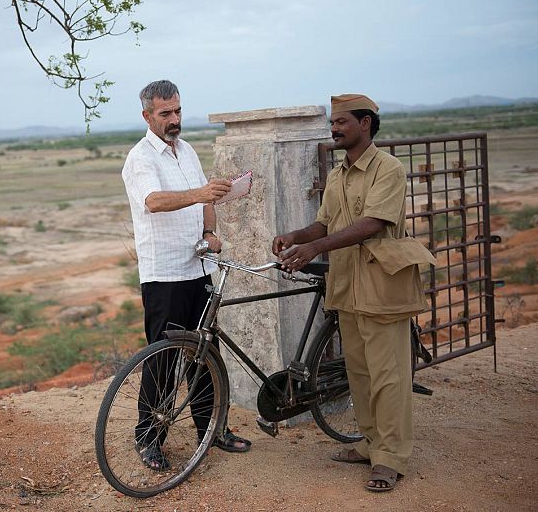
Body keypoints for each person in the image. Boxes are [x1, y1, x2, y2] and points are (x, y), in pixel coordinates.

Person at [272, 94, 434, 492]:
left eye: (342, 121)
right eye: (333, 123)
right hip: (347, 289)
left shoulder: (388, 170)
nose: (334, 129)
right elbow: (325, 225)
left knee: (389, 377)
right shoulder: (339, 174)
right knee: (360, 375)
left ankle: (390, 458)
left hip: (382, 289)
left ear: (366, 123)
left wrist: (314, 249)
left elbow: (373, 224)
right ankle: (369, 444)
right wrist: (296, 236)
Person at [122, 79, 251, 471]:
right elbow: (154, 202)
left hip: (199, 268)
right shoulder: (140, 158)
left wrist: (210, 231)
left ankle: (212, 429)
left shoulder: (188, 150)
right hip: (164, 275)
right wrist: (199, 194)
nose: (174, 119)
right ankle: (149, 438)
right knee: (162, 359)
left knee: (205, 354)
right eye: (166, 113)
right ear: (147, 116)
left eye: (177, 110)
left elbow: (206, 198)